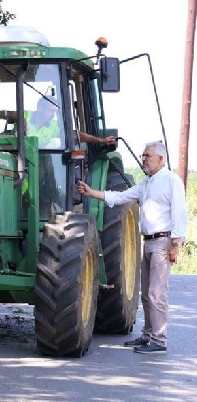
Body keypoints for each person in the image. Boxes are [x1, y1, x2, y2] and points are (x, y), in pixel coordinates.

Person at [77, 141, 188, 355]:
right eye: (143, 155)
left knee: (157, 294)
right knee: (146, 294)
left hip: (163, 243)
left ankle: (159, 340)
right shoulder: (146, 183)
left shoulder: (171, 181)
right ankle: (148, 336)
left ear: (161, 159)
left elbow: (180, 214)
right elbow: (120, 197)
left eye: (148, 156)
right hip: (148, 242)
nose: (144, 159)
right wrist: (91, 193)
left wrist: (176, 243)